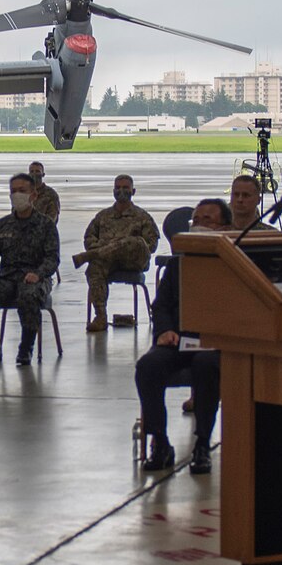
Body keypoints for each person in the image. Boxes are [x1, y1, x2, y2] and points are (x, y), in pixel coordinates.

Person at [135, 198, 231, 474]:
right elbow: (162, 303)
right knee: (148, 367)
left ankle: (202, 443)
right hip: (178, 339)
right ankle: (160, 441)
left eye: (207, 221)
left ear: (225, 226)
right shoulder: (180, 262)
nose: (199, 225)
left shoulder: (234, 263)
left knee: (206, 366)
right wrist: (165, 330)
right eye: (196, 220)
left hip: (215, 343)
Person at [0, 173, 59, 366]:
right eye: (13, 191)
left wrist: (38, 274)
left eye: (22, 191)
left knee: (28, 297)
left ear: (33, 195)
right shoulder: (2, 225)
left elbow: (52, 258)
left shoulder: (46, 225)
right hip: (6, 278)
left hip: (36, 278)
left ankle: (26, 349)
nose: (17, 195)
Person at [74, 174, 158, 331]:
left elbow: (151, 245)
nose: (121, 191)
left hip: (133, 261)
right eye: (118, 188)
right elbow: (89, 237)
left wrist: (126, 246)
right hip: (108, 262)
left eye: (125, 188)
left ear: (133, 191)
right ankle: (100, 316)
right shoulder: (103, 216)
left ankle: (93, 255)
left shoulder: (142, 217)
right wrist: (102, 248)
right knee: (94, 267)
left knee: (133, 241)